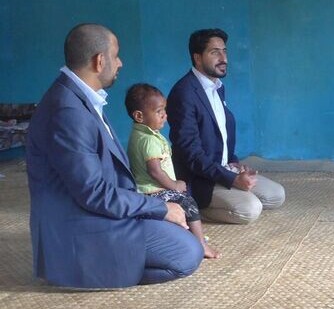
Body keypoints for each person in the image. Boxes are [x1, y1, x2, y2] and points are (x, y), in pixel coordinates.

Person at [26, 23, 203, 288]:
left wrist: (153, 209)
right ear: (100, 61)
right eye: (116, 55)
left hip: (101, 212)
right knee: (188, 253)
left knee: (179, 228)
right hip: (84, 228)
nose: (120, 63)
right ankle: (95, 269)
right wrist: (160, 208)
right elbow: (94, 193)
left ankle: (122, 255)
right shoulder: (68, 111)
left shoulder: (79, 97)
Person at [167, 28, 285, 224]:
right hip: (200, 180)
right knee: (250, 209)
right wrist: (231, 179)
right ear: (197, 58)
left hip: (223, 170)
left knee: (276, 195)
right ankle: (191, 209)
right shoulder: (184, 93)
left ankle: (228, 195)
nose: (224, 58)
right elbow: (190, 153)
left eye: (224, 51)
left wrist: (234, 164)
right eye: (215, 52)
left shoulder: (217, 88)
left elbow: (219, 133)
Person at [125, 83, 219, 259]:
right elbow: (155, 172)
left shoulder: (140, 134)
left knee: (184, 197)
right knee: (188, 201)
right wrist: (174, 185)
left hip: (150, 191)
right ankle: (200, 243)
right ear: (139, 116)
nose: (165, 116)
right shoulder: (148, 140)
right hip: (154, 192)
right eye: (159, 111)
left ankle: (189, 235)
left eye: (164, 110)